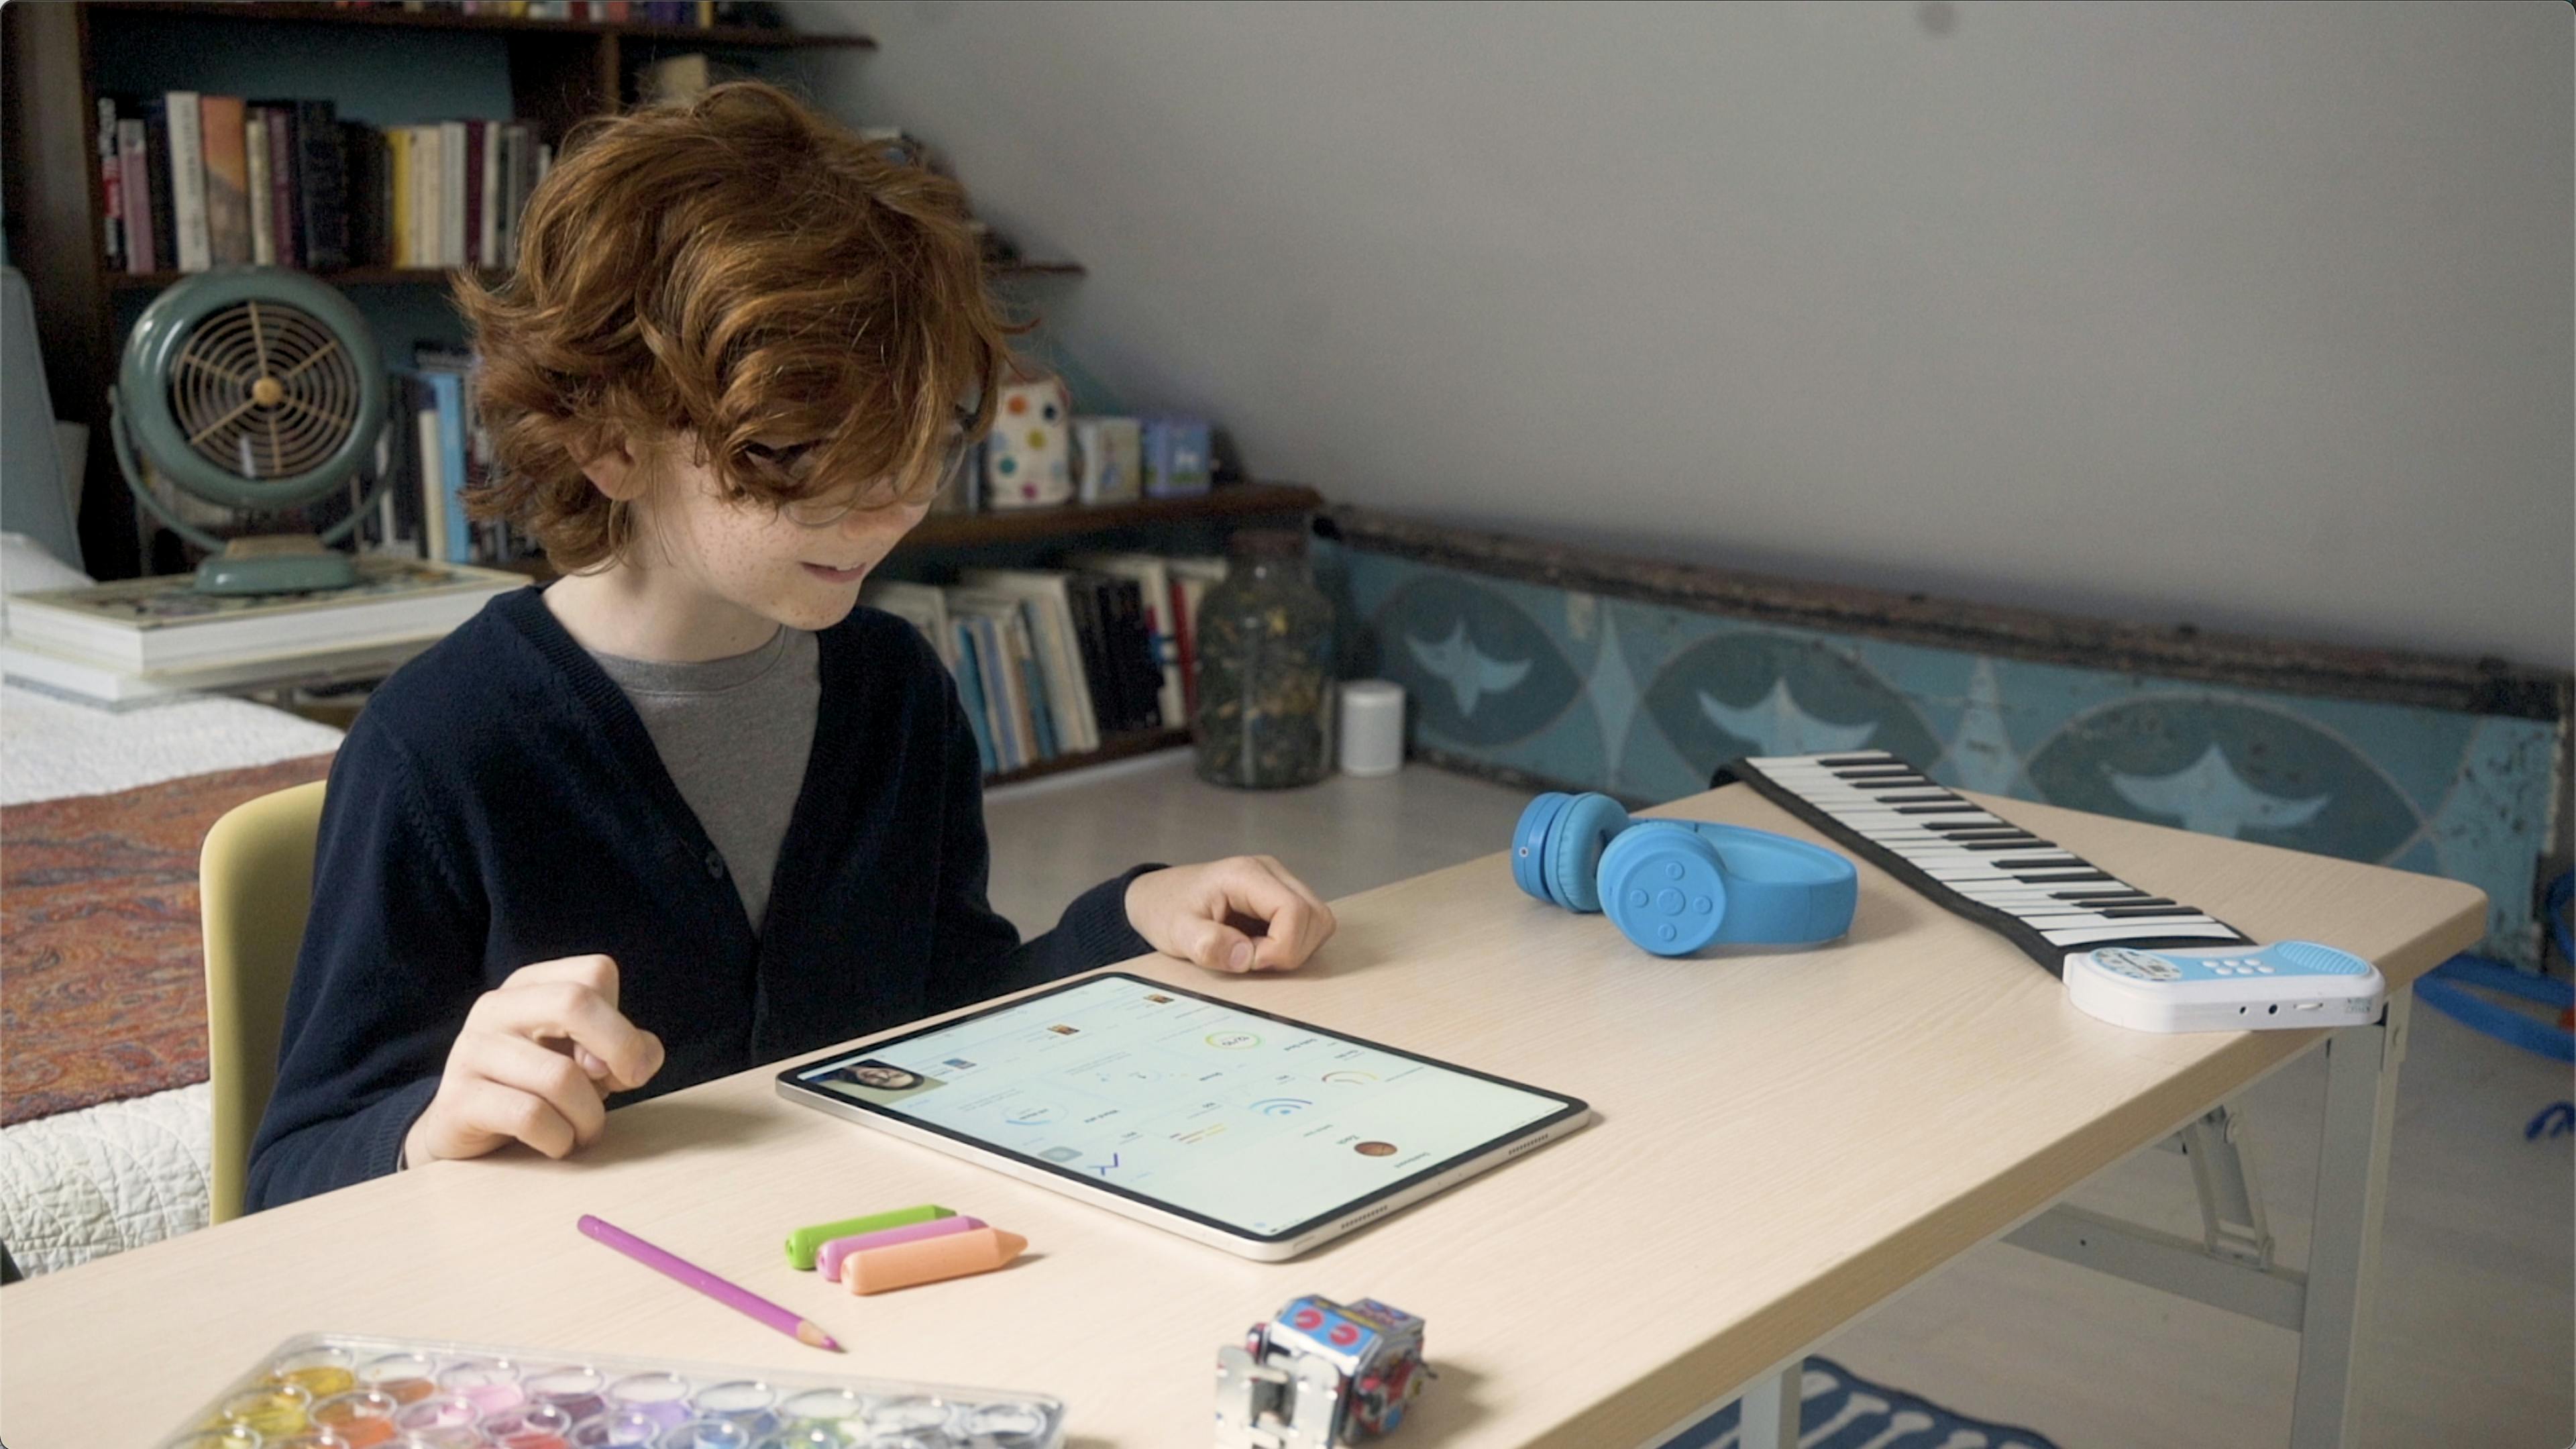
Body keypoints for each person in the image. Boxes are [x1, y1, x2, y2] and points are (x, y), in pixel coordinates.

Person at [246, 83, 1336, 1212]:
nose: (890, 511)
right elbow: (289, 1177)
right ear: (609, 440)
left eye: (919, 448)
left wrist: (1133, 919)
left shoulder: (896, 689)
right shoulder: (441, 748)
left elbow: (954, 1014)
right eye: (807, 458)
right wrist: (429, 1127)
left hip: (850, 1267)